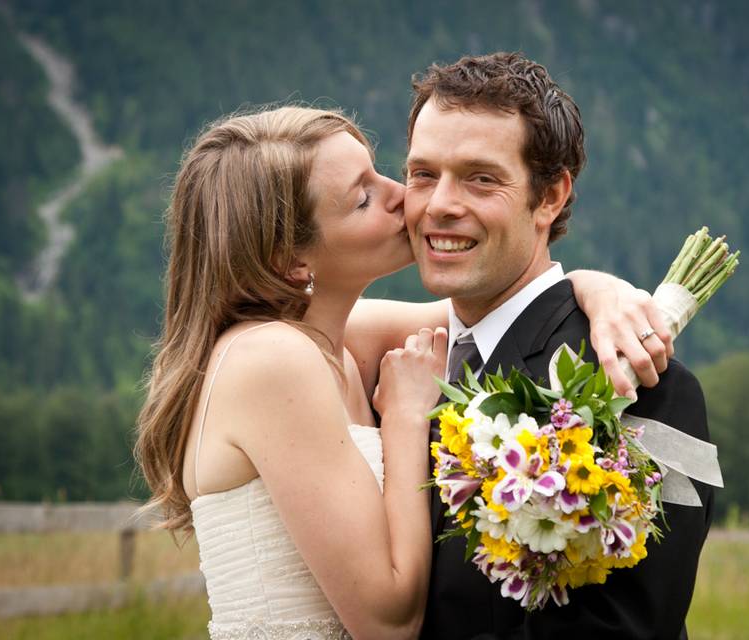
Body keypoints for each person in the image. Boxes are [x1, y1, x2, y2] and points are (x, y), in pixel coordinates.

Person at [135, 106, 673, 640]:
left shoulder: (333, 336)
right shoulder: (274, 360)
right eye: (363, 196)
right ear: (291, 260)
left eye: (380, 170)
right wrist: (406, 419)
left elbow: (505, 308)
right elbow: (388, 622)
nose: (405, 196)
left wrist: (599, 287)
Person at [406, 53, 714, 639]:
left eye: (480, 177)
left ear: (549, 196)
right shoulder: (396, 364)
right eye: (423, 173)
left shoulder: (644, 384)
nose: (439, 203)